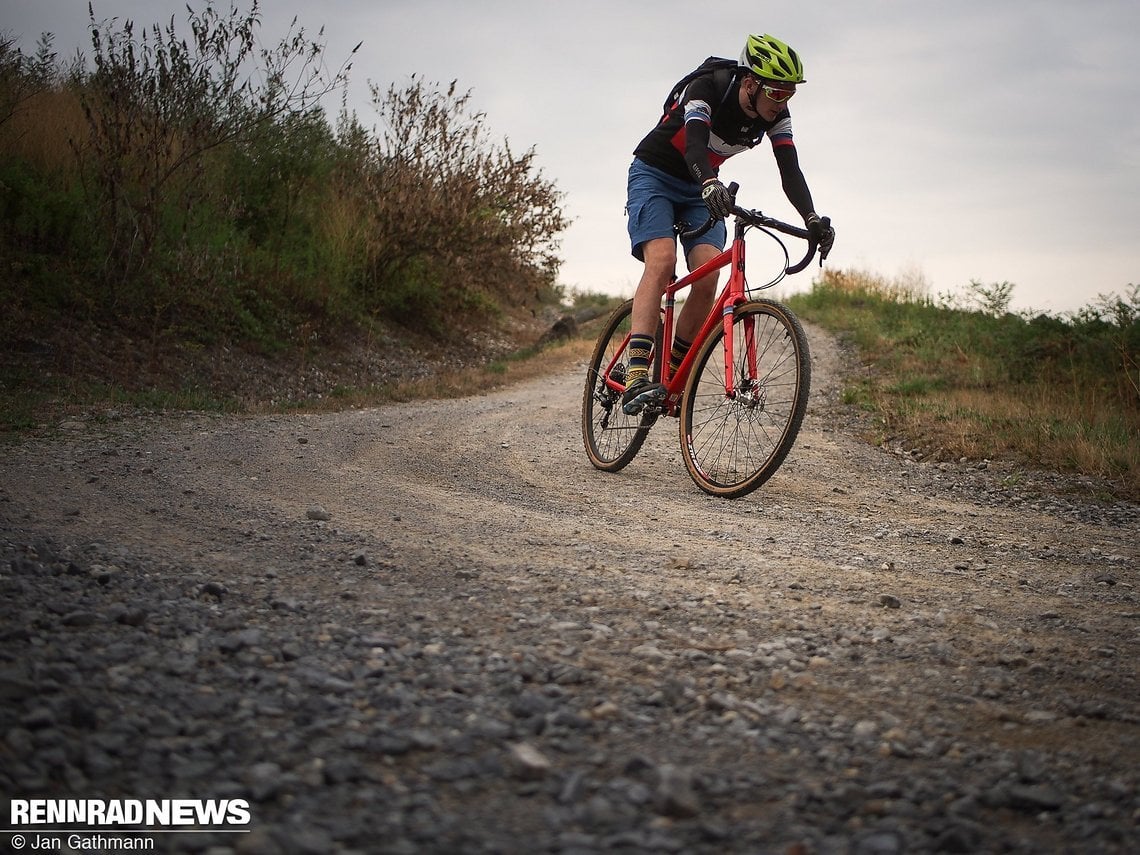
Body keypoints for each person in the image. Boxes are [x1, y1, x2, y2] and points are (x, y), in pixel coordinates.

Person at [621, 33, 835, 415]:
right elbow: (694, 146)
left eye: (790, 95)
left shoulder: (776, 116)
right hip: (655, 175)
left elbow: (790, 169)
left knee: (706, 276)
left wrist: (812, 218)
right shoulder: (708, 88)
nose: (782, 102)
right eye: (776, 92)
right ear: (751, 84)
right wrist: (708, 183)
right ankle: (636, 372)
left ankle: (670, 378)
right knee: (663, 260)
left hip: (701, 188)